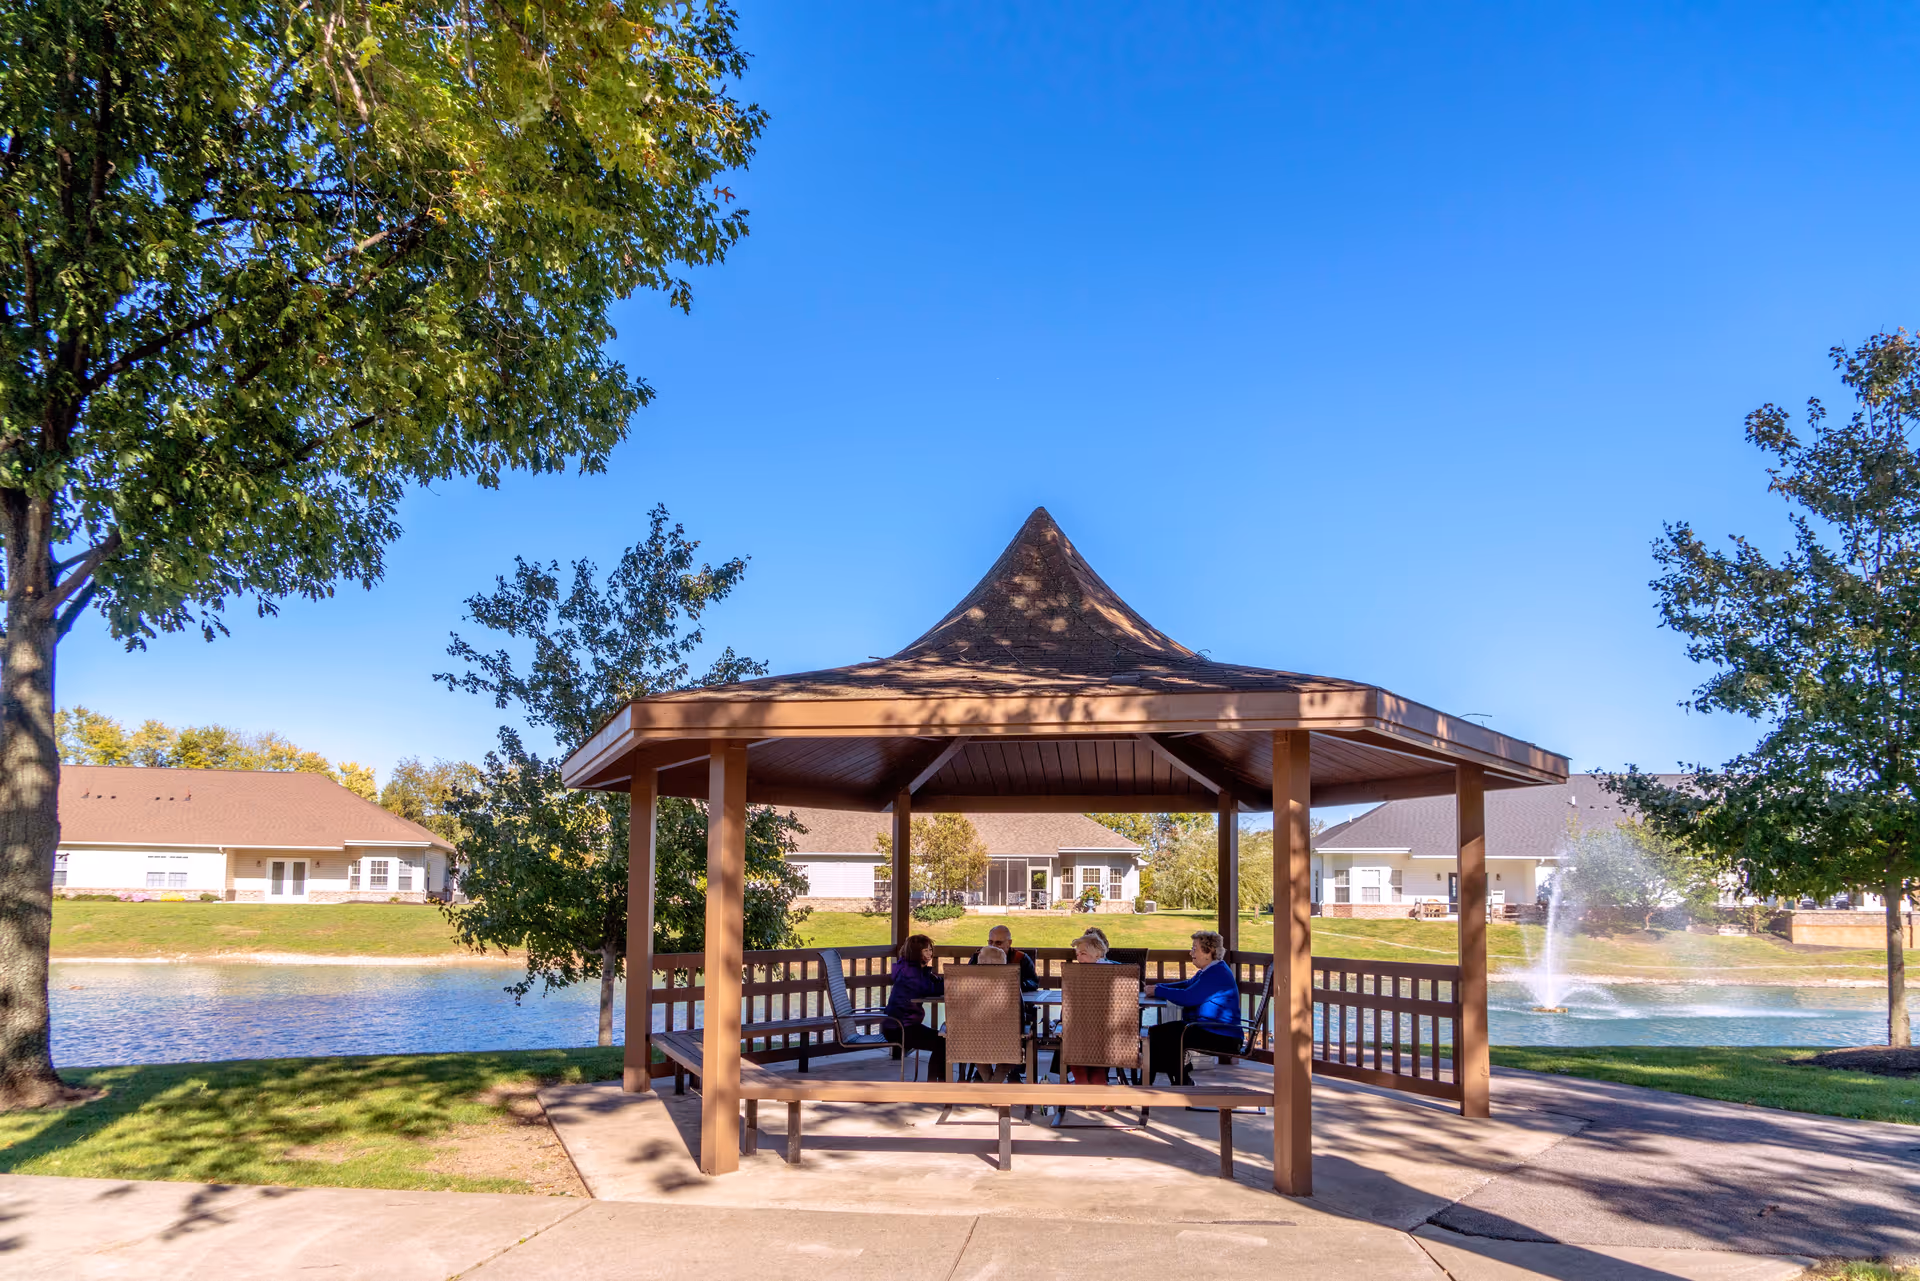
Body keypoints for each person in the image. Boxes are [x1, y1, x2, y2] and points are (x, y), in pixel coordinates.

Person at [1144, 930, 1241, 1085]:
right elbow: (1187, 985)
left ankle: (1167, 1080)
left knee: (1161, 1034)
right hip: (1209, 1029)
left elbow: (1188, 998)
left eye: (1195, 949)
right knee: (1161, 1033)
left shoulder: (1217, 974)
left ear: (1209, 951)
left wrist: (1159, 990)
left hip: (1222, 1035)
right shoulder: (1210, 971)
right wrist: (1159, 987)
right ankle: (1180, 1077)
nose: (1191, 953)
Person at [883, 933, 947, 1081]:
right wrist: (952, 984)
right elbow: (931, 989)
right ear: (915, 952)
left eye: (930, 950)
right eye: (926, 950)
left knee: (942, 1040)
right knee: (942, 1042)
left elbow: (934, 982)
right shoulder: (910, 972)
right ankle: (935, 1083)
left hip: (903, 1025)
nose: (930, 953)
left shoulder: (909, 968)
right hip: (900, 1028)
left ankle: (938, 1081)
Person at [1062, 933, 1115, 1085]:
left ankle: (1082, 1084)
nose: (1079, 958)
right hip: (1109, 1033)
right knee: (1097, 1065)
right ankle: (1100, 1091)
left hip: (1083, 1034)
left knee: (1070, 1045)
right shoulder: (1115, 970)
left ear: (1098, 954)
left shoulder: (1086, 974)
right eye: (1077, 954)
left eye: (1083, 953)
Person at [968, 923, 1040, 991]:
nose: (993, 946)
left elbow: (1033, 982)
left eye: (998, 943)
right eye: (990, 942)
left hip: (1014, 1000)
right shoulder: (978, 956)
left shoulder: (1020, 958)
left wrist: (1018, 984)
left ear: (1009, 943)